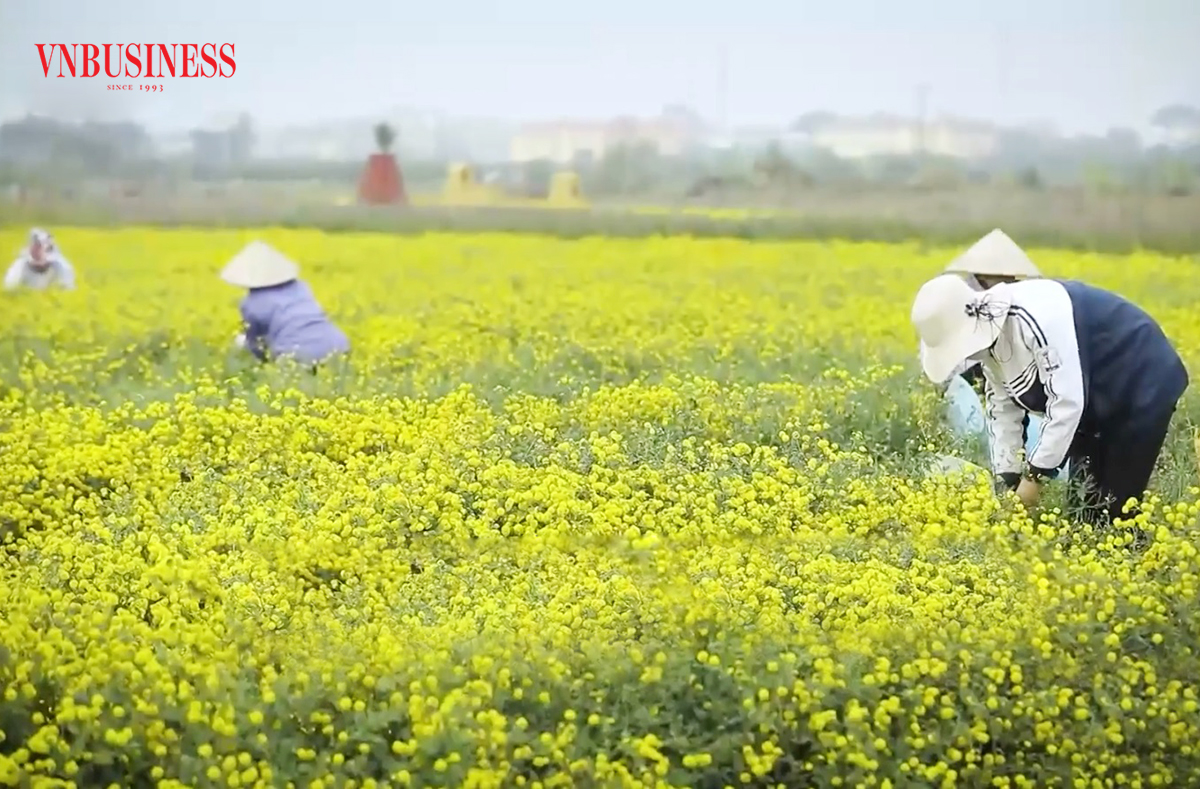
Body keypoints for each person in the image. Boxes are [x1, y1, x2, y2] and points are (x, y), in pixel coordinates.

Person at [912, 271, 1189, 526]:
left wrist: (1035, 479)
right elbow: (1002, 409)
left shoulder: (1034, 318)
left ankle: (1139, 566)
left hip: (1140, 378)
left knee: (1115, 508)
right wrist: (1008, 482)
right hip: (1092, 403)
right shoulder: (988, 348)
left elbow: (1067, 403)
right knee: (1083, 511)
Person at [919, 229, 1068, 479]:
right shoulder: (965, 301)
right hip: (966, 379)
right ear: (983, 274)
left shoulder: (1019, 308)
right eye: (1002, 276)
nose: (1008, 282)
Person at [220, 240, 350, 367]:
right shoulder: (301, 287)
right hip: (338, 346)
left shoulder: (251, 304)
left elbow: (256, 345)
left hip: (295, 355)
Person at [4, 228, 76, 291]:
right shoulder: (20, 265)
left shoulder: (62, 266)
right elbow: (9, 286)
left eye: (41, 247)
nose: (38, 251)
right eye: (35, 247)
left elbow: (69, 289)